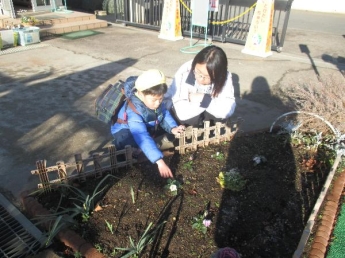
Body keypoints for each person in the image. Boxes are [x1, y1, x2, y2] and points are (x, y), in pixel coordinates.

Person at [111, 69, 185, 178]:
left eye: (160, 99)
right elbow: (141, 135)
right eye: (154, 100)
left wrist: (173, 127)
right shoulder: (133, 111)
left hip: (145, 124)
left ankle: (147, 150)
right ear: (140, 93)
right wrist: (159, 161)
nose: (157, 103)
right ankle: (130, 155)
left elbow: (163, 113)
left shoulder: (154, 100)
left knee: (158, 133)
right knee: (129, 142)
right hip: (125, 130)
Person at [165, 45, 236, 127]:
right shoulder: (185, 71)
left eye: (207, 77)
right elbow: (182, 113)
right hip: (180, 113)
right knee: (192, 119)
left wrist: (203, 98)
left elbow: (227, 110)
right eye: (198, 72)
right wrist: (213, 101)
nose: (201, 79)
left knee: (219, 118)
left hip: (198, 109)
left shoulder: (225, 76)